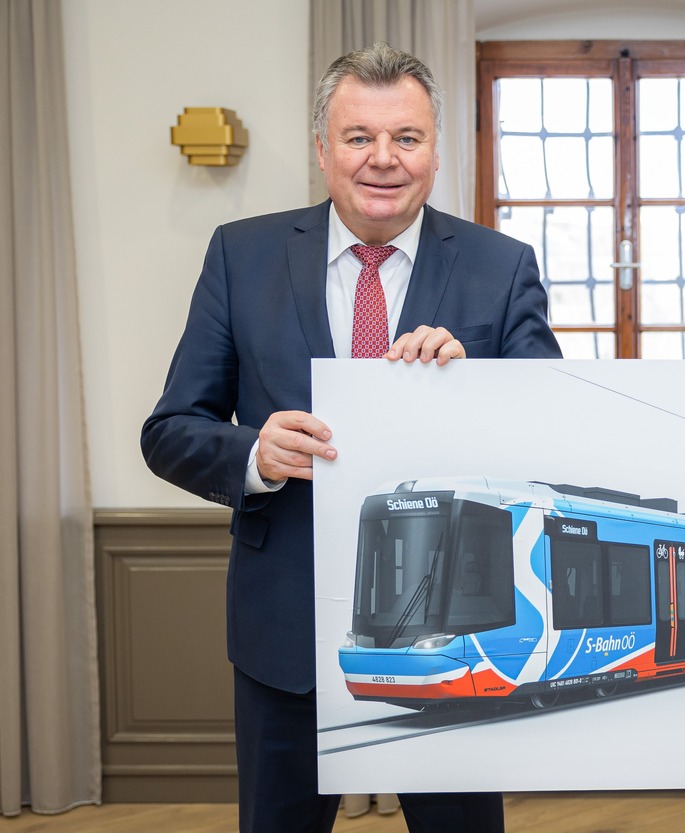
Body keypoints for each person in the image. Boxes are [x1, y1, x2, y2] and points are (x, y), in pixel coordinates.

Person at [141, 43, 561, 833]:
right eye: (359, 136)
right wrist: (254, 456)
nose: (383, 159)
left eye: (406, 137)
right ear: (322, 149)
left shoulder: (500, 267)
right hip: (284, 640)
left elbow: (552, 438)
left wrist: (477, 386)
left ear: (436, 149)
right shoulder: (242, 254)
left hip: (457, 642)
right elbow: (169, 430)